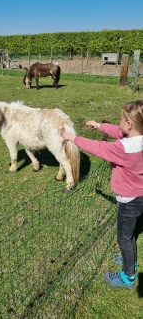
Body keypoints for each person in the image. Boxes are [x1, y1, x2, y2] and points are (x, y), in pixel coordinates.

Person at [62, 100, 143, 289]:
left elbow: (98, 147)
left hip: (129, 200)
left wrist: (72, 138)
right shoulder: (138, 138)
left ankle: (128, 276)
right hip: (140, 195)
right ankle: (129, 260)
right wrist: (99, 125)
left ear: (130, 124)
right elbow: (118, 132)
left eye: (122, 119)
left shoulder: (123, 148)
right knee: (130, 235)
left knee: (124, 237)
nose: (120, 122)